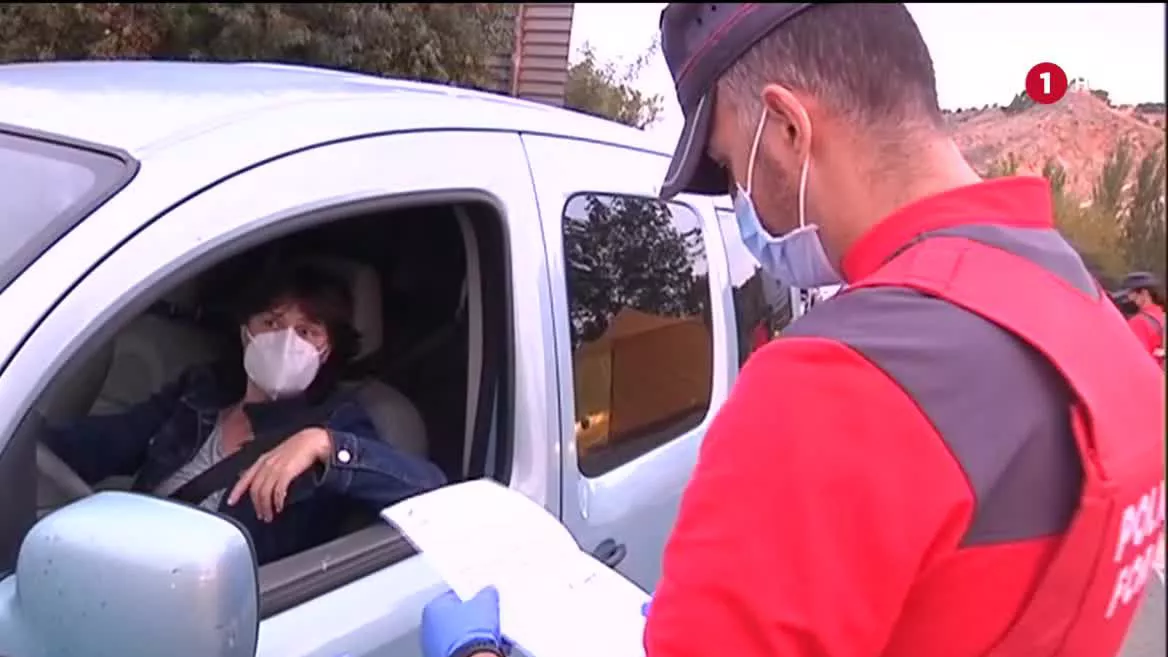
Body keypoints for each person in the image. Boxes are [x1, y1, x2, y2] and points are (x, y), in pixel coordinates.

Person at [418, 4, 1165, 657]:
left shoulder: (838, 382)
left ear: (786, 127)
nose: (742, 202)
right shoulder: (1096, 325)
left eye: (729, 166)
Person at [44, 260, 447, 564]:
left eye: (307, 331)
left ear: (327, 351)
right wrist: (26, 439)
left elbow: (430, 491)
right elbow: (96, 444)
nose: (286, 341)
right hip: (123, 561)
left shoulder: (337, 421)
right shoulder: (201, 393)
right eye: (271, 322)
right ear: (245, 331)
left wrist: (323, 445)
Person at [1118, 271, 1166, 363]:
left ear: (1144, 293)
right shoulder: (1162, 315)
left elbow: (1135, 359)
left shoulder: (1139, 322)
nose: (1128, 298)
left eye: (1131, 294)